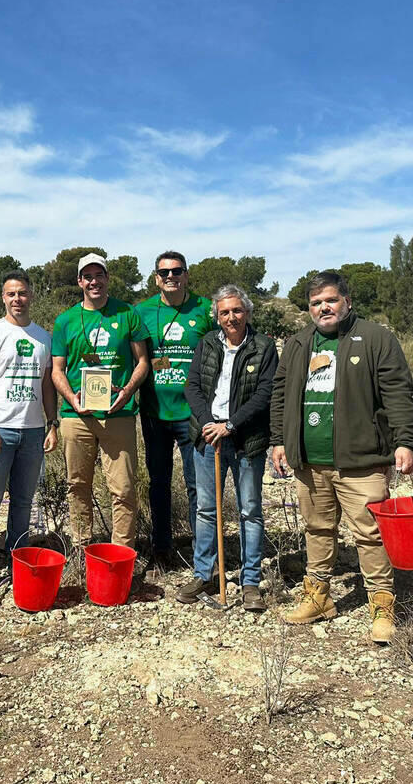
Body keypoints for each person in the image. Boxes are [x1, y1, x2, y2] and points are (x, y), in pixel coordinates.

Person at [270, 270, 413, 643]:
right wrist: (279, 440)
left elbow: (398, 393)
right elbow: (280, 394)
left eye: (331, 300)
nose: (324, 308)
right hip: (310, 459)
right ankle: (319, 597)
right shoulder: (298, 343)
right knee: (317, 530)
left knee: (370, 535)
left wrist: (405, 441)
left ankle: (382, 607)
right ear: (309, 310)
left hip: (361, 461)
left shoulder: (375, 338)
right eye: (316, 303)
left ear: (347, 302)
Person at [178, 285, 278, 612]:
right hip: (209, 438)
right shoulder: (207, 343)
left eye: (236, 311)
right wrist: (209, 423)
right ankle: (204, 574)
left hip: (245, 440)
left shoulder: (263, 347)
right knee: (207, 509)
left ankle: (250, 582)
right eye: (224, 312)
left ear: (247, 312)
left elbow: (264, 395)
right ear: (217, 316)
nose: (231, 317)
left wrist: (230, 425)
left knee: (250, 510)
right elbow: (192, 386)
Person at [50, 253, 150, 547]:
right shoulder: (65, 320)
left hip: (117, 415)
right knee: (78, 486)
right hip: (76, 415)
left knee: (123, 489)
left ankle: (122, 552)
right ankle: (82, 548)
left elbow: (142, 361)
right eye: (88, 276)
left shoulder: (127, 314)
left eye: (99, 275)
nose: (94, 281)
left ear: (108, 278)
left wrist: (127, 392)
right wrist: (71, 397)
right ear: (80, 281)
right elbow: (57, 371)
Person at [0, 270, 58, 595]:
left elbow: (47, 385)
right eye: (11, 294)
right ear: (3, 298)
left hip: (33, 432)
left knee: (23, 502)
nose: (17, 299)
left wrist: (53, 423)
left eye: (22, 293)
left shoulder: (43, 338)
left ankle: (16, 560)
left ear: (31, 296)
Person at [135, 252, 213, 568]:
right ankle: (162, 549)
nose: (171, 276)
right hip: (155, 412)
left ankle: (203, 552)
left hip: (194, 414)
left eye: (177, 271)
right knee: (159, 483)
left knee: (199, 485)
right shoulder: (140, 312)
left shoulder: (206, 309)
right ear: (156, 277)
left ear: (186, 274)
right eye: (164, 272)